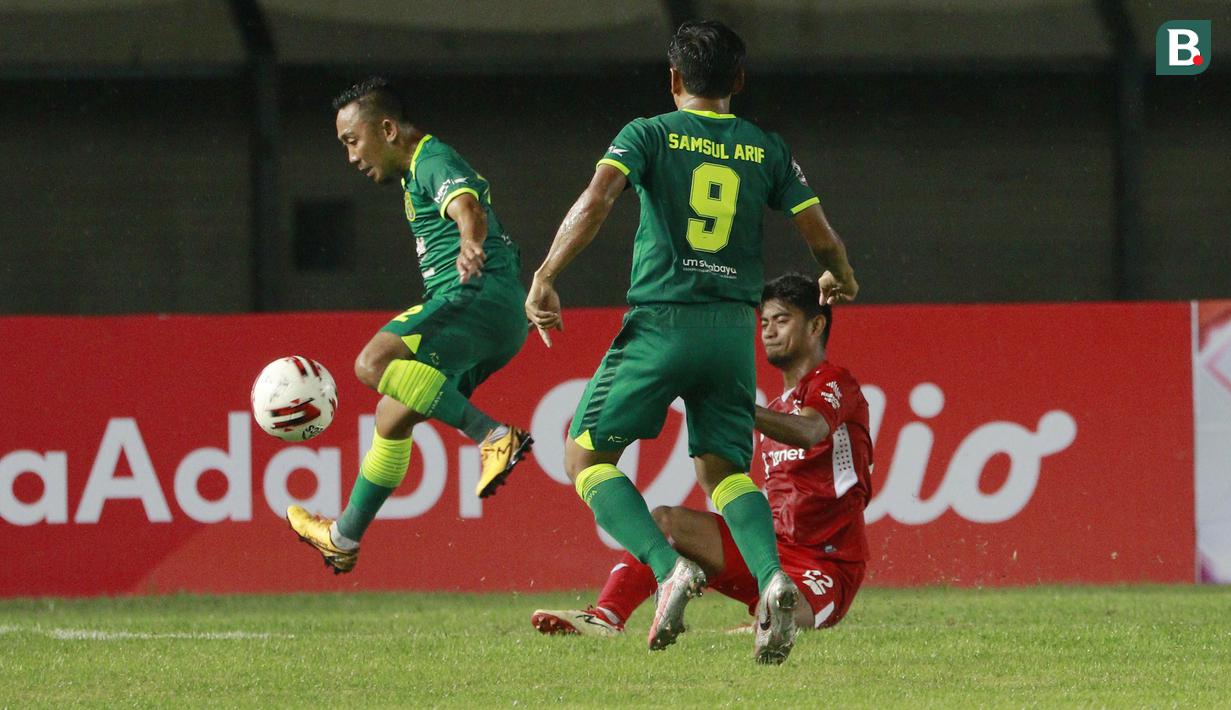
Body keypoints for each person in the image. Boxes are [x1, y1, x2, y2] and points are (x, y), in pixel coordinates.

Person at [524, 21, 858, 664]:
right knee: (722, 468)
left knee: (583, 457)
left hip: (663, 321)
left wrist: (545, 276)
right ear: (738, 81)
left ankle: (666, 567)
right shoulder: (766, 148)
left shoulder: (646, 133)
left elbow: (596, 201)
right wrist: (839, 278)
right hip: (733, 330)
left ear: (674, 80)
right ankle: (774, 580)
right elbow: (821, 236)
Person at [531, 273, 872, 639]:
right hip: (773, 551)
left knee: (784, 615)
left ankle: (766, 617)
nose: (769, 331)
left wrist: (739, 407)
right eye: (765, 322)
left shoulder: (834, 381)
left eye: (782, 320)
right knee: (666, 522)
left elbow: (808, 432)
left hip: (827, 563)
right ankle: (606, 616)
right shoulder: (777, 406)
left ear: (816, 325)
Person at [287, 77, 533, 574]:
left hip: (475, 295)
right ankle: (343, 537)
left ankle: (491, 436)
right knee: (391, 418)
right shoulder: (411, 174)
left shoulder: (430, 158)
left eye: (352, 141)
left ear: (387, 128)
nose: (351, 157)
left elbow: (467, 204)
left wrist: (471, 242)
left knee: (373, 362)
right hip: (497, 314)